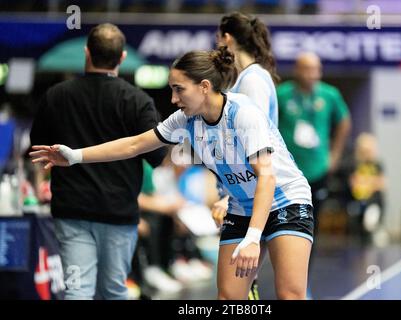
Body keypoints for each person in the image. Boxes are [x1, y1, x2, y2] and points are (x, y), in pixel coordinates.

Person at [30, 47, 314, 300]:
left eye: (179, 89)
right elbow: (134, 144)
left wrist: (253, 238)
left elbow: (266, 176)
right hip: (242, 207)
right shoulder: (187, 119)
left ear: (204, 87)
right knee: (229, 296)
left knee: (289, 294)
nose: (174, 98)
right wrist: (75, 156)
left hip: (285, 201)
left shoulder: (243, 113)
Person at [29, 23, 167, 300]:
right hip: (119, 213)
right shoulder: (138, 101)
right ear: (122, 58)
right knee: (115, 291)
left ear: (87, 52)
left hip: (72, 211)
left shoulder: (57, 96)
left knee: (77, 290)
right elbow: (157, 157)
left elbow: (37, 149)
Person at [214, 12, 281, 299]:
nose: (217, 42)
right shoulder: (242, 80)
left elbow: (253, 144)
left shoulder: (253, 80)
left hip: (253, 194)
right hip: (245, 192)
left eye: (218, 37)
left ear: (227, 38)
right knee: (237, 289)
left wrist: (230, 195)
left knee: (239, 289)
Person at [277, 52, 351, 236]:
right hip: (289, 169)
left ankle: (307, 262)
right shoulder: (282, 94)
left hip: (318, 168)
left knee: (312, 219)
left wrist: (334, 155)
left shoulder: (329, 95)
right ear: (297, 70)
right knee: (288, 218)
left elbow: (344, 122)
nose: (312, 74)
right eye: (307, 69)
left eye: (316, 69)